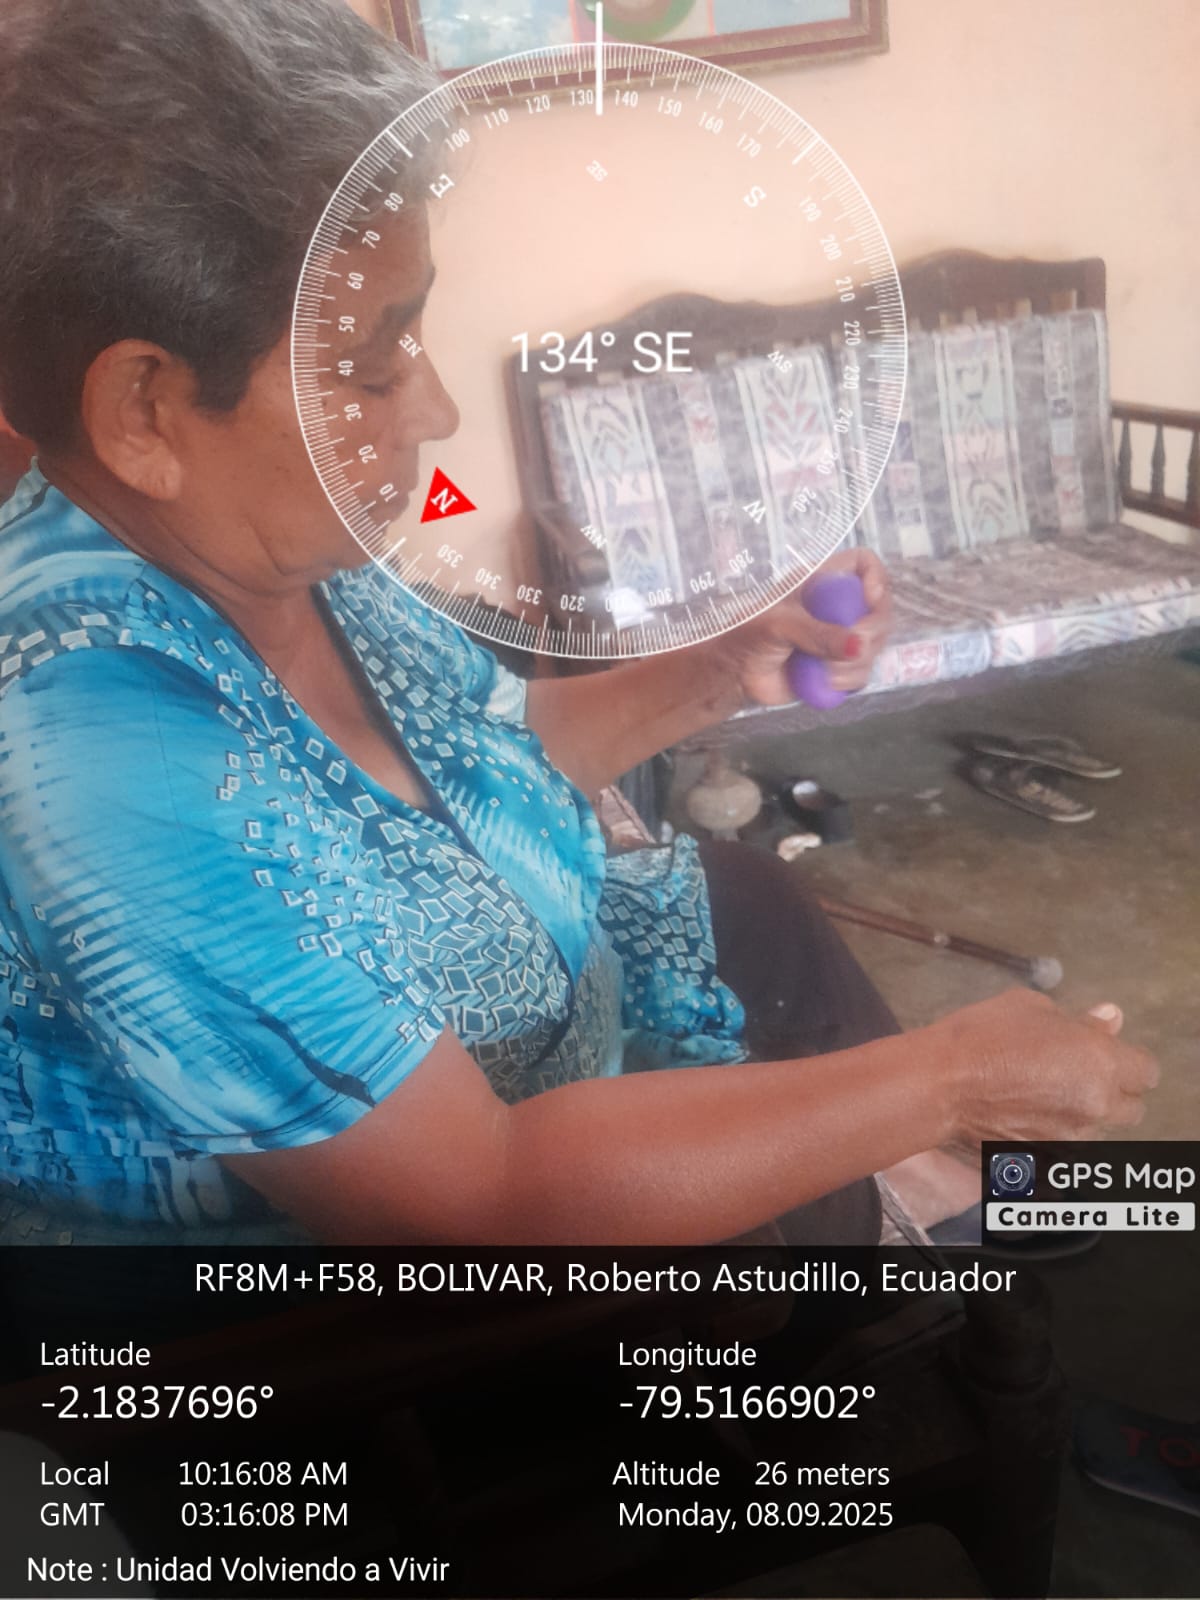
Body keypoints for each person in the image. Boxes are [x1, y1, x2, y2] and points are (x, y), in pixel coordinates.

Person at [0, 0, 1156, 1248]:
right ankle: (932, 1228)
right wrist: (944, 1080)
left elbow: (485, 763)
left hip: (571, 1043)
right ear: (147, 411)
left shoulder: (279, 552)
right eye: (373, 368)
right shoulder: (98, 757)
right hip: (427, 1281)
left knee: (759, 909)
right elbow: (482, 1195)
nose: (435, 411)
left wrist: (719, 666)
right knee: (996, 1228)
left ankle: (927, 1205)